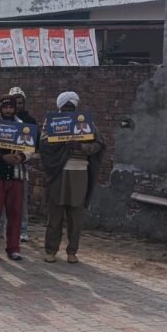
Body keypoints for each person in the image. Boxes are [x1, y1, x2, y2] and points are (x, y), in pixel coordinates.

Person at [40, 91, 105, 264]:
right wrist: (61, 140)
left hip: (79, 172)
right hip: (58, 172)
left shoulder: (87, 122)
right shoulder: (51, 123)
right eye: (65, 107)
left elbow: (99, 144)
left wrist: (81, 146)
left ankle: (72, 251)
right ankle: (51, 250)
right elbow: (43, 142)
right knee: (55, 215)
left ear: (75, 107)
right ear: (60, 107)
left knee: (75, 215)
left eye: (71, 107)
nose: (68, 109)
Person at [0, 95, 30, 261]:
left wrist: (21, 157)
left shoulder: (23, 126)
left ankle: (13, 248)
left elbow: (29, 147)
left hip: (17, 174)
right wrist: (1, 157)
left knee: (15, 214)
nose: (8, 110)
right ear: (0, 108)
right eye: (5, 107)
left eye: (11, 107)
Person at [6, 86, 36, 242]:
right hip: (4, 164)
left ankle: (23, 229)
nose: (17, 106)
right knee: (2, 199)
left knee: (21, 199)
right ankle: (2, 228)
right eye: (14, 103)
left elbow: (33, 145)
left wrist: (22, 156)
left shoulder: (30, 122)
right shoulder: (2, 121)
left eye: (20, 102)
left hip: (22, 165)